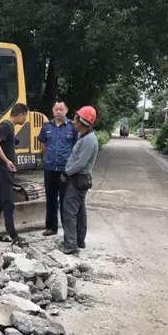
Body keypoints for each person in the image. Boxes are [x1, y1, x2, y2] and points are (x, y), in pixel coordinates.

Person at [59, 105, 99, 255]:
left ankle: (70, 245)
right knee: (80, 211)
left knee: (69, 212)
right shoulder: (85, 137)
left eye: (75, 119)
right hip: (79, 179)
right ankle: (79, 241)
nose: (73, 122)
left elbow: (80, 163)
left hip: (78, 179)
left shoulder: (88, 140)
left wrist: (66, 173)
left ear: (82, 122)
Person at [0, 103, 29, 247]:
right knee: (8, 203)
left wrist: (14, 142)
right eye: (26, 116)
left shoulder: (9, 127)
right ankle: (14, 236)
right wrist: (7, 161)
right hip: (2, 170)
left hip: (2, 170)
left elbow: (6, 142)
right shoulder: (6, 125)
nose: (26, 119)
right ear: (21, 114)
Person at [37, 102, 78, 236]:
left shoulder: (72, 127)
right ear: (53, 111)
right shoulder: (46, 127)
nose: (59, 111)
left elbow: (76, 148)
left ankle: (68, 230)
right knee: (51, 199)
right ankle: (51, 227)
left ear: (66, 111)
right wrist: (44, 160)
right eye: (56, 109)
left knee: (66, 200)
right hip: (49, 169)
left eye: (61, 109)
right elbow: (43, 145)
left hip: (65, 170)